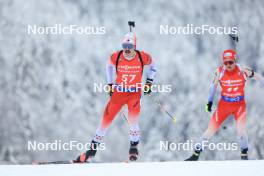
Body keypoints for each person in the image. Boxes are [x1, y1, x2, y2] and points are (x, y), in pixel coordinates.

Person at [75, 32, 156, 162]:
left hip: (134, 93)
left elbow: (153, 66)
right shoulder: (116, 56)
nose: (127, 49)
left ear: (134, 46)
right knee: (106, 120)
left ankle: (133, 148)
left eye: (130, 46)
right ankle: (92, 149)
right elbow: (109, 66)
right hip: (118, 93)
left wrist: (149, 82)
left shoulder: (142, 57)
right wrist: (110, 84)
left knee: (133, 120)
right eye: (125, 46)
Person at [185, 49, 264, 161]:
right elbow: (213, 86)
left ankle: (244, 156)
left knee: (241, 130)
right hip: (224, 105)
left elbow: (259, 77)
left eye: (230, 62)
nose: (228, 65)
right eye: (225, 62)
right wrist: (210, 101)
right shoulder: (220, 71)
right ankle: (195, 155)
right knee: (211, 129)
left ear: (234, 60)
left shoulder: (243, 70)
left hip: (239, 105)